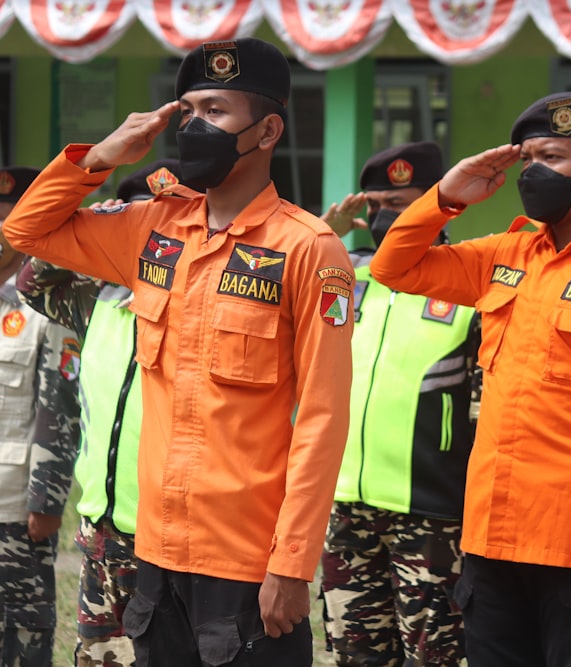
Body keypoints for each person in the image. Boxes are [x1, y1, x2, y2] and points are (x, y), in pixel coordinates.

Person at [4, 38, 355, 667]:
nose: (194, 125)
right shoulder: (152, 228)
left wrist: (294, 562)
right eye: (187, 109)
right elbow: (25, 231)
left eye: (215, 111)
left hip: (248, 561)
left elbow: (324, 419)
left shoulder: (308, 249)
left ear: (268, 128)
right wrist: (99, 159)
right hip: (155, 554)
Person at [369, 92, 571, 666]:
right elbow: (394, 267)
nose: (536, 172)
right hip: (491, 538)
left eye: (555, 158)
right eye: (530, 158)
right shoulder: (505, 254)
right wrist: (444, 198)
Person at [16, 159, 195, 667]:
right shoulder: (97, 298)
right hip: (101, 531)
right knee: (99, 659)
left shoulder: (201, 303)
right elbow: (33, 277)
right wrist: (95, 217)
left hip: (171, 535)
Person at [318, 142, 479, 666]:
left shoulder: (467, 280)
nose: (390, 217)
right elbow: (268, 289)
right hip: (345, 510)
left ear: (436, 205)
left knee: (437, 659)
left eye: (405, 203)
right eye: (380, 205)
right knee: (355, 657)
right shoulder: (346, 276)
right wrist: (327, 231)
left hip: (432, 516)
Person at [0, 166, 82, 666]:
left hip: (12, 504)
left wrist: (46, 502)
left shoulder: (47, 306)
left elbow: (59, 406)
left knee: (21, 632)